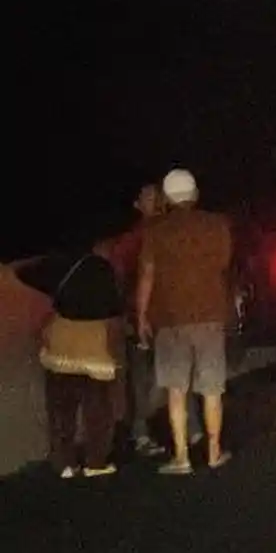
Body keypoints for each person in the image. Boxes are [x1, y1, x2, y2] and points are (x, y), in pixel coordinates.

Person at [137, 169, 234, 474]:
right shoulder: (216, 225)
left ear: (166, 198)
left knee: (176, 390)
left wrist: (141, 315)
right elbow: (224, 263)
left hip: (170, 318)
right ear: (194, 195)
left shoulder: (156, 231)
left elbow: (147, 277)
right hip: (209, 315)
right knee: (212, 389)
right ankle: (214, 451)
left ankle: (181, 457)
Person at [20, 238, 126, 478]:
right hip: (95, 344)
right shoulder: (104, 269)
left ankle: (64, 463)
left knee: (61, 409)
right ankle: (96, 462)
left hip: (61, 342)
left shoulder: (60, 268)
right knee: (97, 410)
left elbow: (25, 274)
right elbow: (114, 307)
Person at [110, 182, 201, 456]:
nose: (157, 202)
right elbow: (122, 277)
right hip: (147, 318)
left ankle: (191, 428)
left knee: (177, 374)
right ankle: (144, 434)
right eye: (149, 198)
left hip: (168, 316)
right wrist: (135, 314)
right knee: (145, 379)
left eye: (158, 197)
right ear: (137, 205)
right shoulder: (133, 240)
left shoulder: (164, 234)